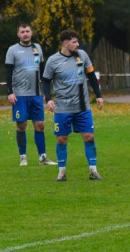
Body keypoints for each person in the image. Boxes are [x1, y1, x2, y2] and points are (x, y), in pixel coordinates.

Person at [42, 29, 104, 182]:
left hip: (82, 107)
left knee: (89, 137)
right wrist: (48, 99)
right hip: (62, 108)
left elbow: (91, 75)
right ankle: (61, 173)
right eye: (74, 42)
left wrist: (99, 96)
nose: (77, 45)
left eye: (77, 41)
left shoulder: (82, 56)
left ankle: (93, 171)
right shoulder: (53, 60)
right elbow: (45, 81)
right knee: (62, 139)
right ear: (65, 43)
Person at [5, 23, 54, 166]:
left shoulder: (37, 48)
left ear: (31, 33)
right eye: (22, 32)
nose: (25, 34)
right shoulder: (12, 50)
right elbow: (8, 73)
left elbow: (44, 72)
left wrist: (46, 93)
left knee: (40, 125)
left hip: (36, 94)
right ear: (18, 34)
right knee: (22, 126)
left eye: (27, 31)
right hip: (20, 95)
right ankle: (23, 156)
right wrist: (10, 92)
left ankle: (42, 157)